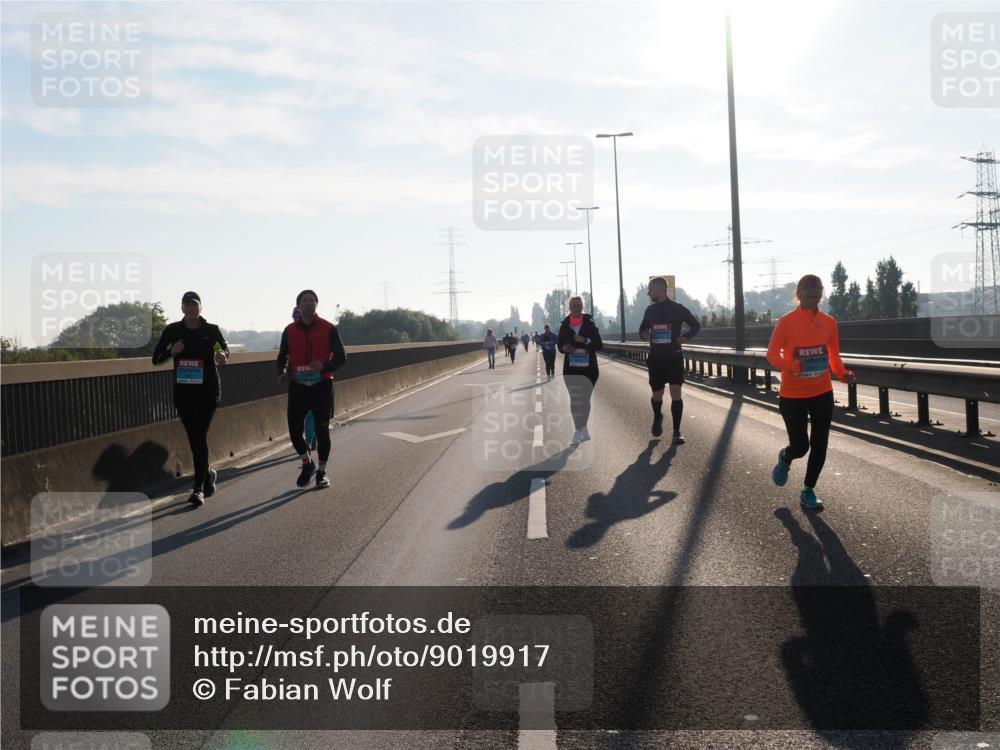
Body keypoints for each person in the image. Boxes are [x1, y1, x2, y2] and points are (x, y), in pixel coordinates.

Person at [767, 274, 855, 510]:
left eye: (817, 288)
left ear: (821, 293)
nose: (813, 292)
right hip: (792, 395)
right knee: (800, 447)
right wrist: (792, 366)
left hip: (821, 392)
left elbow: (833, 356)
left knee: (820, 444)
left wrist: (842, 373)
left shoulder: (829, 322)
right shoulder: (786, 322)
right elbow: (772, 354)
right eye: (807, 288)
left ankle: (808, 490)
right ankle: (786, 457)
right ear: (799, 293)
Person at [151, 291, 229, 507]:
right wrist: (172, 352)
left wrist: (222, 356)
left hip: (208, 392)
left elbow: (223, 349)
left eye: (195, 304)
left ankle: (198, 489)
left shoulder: (211, 330)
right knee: (195, 439)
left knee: (199, 436)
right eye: (188, 304)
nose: (192, 308)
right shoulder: (172, 331)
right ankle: (207, 474)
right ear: (182, 308)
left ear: (201, 308)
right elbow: (156, 359)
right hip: (184, 394)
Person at [277, 289, 347, 489]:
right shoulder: (289, 330)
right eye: (305, 300)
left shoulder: (328, 328)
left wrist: (324, 365)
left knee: (322, 431)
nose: (309, 303)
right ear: (299, 305)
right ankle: (308, 463)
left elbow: (341, 357)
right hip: (298, 386)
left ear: (316, 304)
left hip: (321, 386)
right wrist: (282, 371)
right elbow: (282, 356)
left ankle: (322, 472)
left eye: (312, 300)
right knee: (294, 431)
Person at [639, 277, 701, 443]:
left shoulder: (678, 308)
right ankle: (658, 416)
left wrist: (686, 337)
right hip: (656, 358)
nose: (649, 293)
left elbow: (696, 325)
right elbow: (642, 329)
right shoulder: (650, 310)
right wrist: (644, 334)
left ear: (660, 290)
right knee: (657, 395)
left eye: (651, 289)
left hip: (674, 357)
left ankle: (676, 431)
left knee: (676, 393)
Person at [557, 296, 603, 443]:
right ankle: (579, 430)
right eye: (574, 306)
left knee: (585, 399)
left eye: (579, 305)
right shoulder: (564, 326)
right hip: (571, 369)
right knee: (575, 399)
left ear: (582, 307)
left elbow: (599, 345)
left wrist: (584, 340)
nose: (576, 308)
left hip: (589, 369)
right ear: (569, 308)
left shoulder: (589, 323)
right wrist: (564, 348)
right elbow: (559, 345)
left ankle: (583, 427)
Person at [291, 306, 317, 450]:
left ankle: (309, 440)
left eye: (298, 317)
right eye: (294, 317)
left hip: (315, 376)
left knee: (311, 412)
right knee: (305, 412)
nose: (296, 319)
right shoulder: (290, 332)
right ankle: (311, 438)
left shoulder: (316, 330)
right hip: (299, 377)